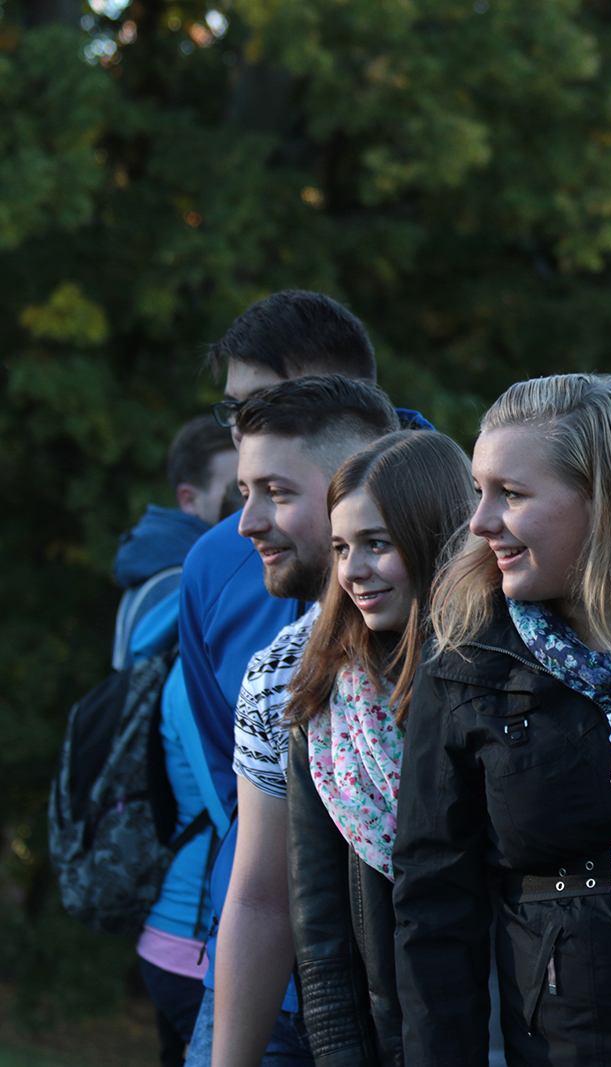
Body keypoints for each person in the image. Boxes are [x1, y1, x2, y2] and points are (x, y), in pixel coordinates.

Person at [392, 373, 611, 1067]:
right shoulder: (464, 657)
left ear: (605, 500)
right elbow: (433, 905)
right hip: (556, 1037)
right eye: (479, 491)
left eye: (512, 494)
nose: (481, 521)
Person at [177, 291, 431, 1065]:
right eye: (234, 414)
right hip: (284, 984)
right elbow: (245, 834)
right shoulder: (231, 590)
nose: (247, 521)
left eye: (276, 492)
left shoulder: (477, 612)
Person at [204, 376, 401, 1067]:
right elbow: (261, 899)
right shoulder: (279, 676)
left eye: (277, 493)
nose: (247, 522)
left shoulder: (496, 639)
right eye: (244, 492)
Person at [280, 430, 476, 1065]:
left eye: (377, 544)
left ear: (433, 540)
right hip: (389, 1041)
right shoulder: (328, 709)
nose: (352, 570)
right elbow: (320, 934)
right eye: (340, 547)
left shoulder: (501, 682)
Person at [114, 416, 239, 1067]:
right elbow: (228, 802)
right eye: (240, 492)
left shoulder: (151, 593)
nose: (251, 518)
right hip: (196, 934)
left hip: (183, 924)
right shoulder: (184, 607)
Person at [113, 415, 239, 669]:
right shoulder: (180, 584)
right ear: (189, 499)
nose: (250, 502)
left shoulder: (159, 562)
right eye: (237, 489)